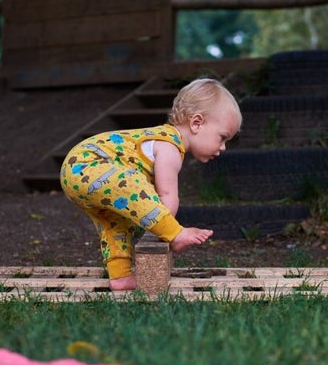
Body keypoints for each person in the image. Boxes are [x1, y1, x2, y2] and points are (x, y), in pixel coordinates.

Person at [60, 77, 242, 290]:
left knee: (116, 223)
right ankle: (175, 233)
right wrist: (171, 233)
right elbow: (167, 194)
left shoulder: (160, 139)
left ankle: (120, 276)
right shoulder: (169, 145)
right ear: (196, 123)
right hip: (87, 164)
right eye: (222, 137)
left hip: (76, 175)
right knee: (134, 185)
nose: (223, 147)